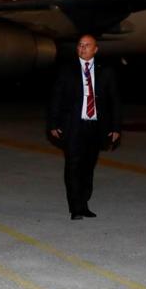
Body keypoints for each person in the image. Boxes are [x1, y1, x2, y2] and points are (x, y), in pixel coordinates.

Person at [47, 34, 122, 220]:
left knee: (88, 167)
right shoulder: (67, 70)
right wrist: (53, 123)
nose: (82, 48)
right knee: (73, 166)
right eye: (80, 45)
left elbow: (115, 101)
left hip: (96, 126)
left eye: (87, 45)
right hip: (73, 126)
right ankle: (76, 207)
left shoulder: (106, 71)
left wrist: (116, 127)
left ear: (95, 49)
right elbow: (56, 98)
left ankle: (84, 202)